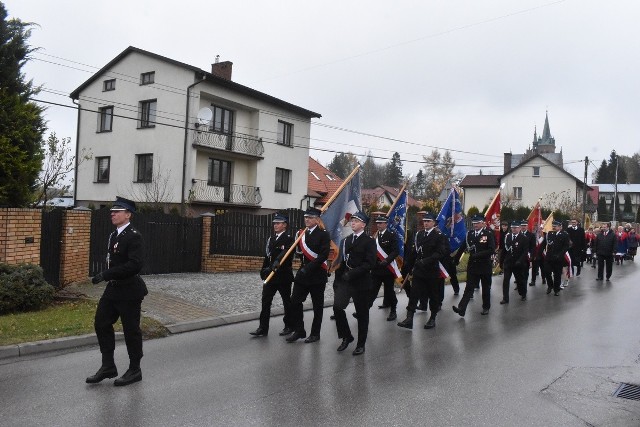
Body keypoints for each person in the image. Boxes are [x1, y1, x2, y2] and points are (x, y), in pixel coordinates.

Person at [86, 197, 147, 387]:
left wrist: (106, 274)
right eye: (112, 211)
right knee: (101, 323)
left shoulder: (134, 236)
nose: (112, 213)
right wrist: (109, 276)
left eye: (117, 211)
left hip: (129, 290)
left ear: (128, 215)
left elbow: (134, 265)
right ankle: (108, 366)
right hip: (113, 289)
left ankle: (135, 369)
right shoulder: (114, 235)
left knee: (131, 330)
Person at [333, 212, 377, 356]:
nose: (353, 223)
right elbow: (343, 261)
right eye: (352, 221)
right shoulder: (346, 240)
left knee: (362, 314)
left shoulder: (369, 241)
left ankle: (361, 344)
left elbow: (370, 263)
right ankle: (346, 336)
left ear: (363, 225)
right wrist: (338, 278)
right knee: (338, 308)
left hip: (361, 282)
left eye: (356, 221)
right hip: (345, 281)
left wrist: (353, 273)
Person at [397, 213, 450, 330]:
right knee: (414, 295)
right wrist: (408, 266)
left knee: (433, 296)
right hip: (418, 271)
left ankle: (432, 318)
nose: (425, 223)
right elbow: (415, 252)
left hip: (431, 271)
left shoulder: (439, 236)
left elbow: (440, 253)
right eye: (424, 221)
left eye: (428, 221)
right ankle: (409, 318)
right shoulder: (419, 235)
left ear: (434, 223)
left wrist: (426, 261)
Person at [286, 207, 331, 343]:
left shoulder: (324, 234)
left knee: (317, 306)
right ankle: (299, 330)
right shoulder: (301, 233)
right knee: (294, 301)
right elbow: (291, 250)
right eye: (306, 217)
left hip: (317, 275)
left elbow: (323, 255)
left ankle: (315, 333)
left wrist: (309, 268)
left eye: (310, 217)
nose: (307, 219)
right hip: (302, 274)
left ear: (317, 220)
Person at [250, 213, 294, 337]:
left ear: (285, 225)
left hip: (283, 276)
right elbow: (267, 256)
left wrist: (277, 262)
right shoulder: (271, 239)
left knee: (287, 302)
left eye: (278, 223)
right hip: (270, 276)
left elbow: (287, 254)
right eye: (274, 223)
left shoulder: (289, 239)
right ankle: (263, 328)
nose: (275, 225)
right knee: (265, 302)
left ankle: (289, 326)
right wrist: (263, 270)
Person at [452, 213, 496, 317]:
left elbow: (491, 249)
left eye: (477, 223)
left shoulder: (488, 234)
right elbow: (463, 247)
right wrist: (456, 259)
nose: (475, 225)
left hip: (485, 265)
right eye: (474, 223)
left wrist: (478, 255)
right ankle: (461, 308)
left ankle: (486, 307)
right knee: (469, 288)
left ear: (482, 223)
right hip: (473, 266)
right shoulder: (470, 234)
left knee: (486, 288)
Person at [369, 214, 399, 321]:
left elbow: (396, 251)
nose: (378, 225)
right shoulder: (375, 235)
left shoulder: (391, 235)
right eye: (377, 223)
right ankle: (364, 310)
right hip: (376, 269)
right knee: (372, 290)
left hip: (387, 268)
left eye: (381, 223)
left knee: (389, 291)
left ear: (386, 224)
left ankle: (393, 311)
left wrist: (386, 260)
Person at [500, 221, 529, 304]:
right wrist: (501, 261)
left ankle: (523, 293)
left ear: (519, 228)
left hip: (518, 263)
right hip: (508, 263)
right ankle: (505, 298)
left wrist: (520, 261)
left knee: (520, 280)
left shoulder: (524, 238)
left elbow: (525, 252)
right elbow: (504, 251)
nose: (514, 229)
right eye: (512, 227)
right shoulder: (507, 237)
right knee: (506, 280)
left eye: (515, 227)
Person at [542, 220, 571, 296]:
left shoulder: (565, 235)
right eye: (553, 226)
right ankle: (550, 285)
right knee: (547, 272)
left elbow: (566, 246)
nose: (554, 227)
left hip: (558, 258)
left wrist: (560, 255)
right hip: (549, 257)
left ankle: (556, 289)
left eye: (555, 226)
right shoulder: (549, 234)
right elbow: (544, 244)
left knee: (557, 274)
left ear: (560, 226)